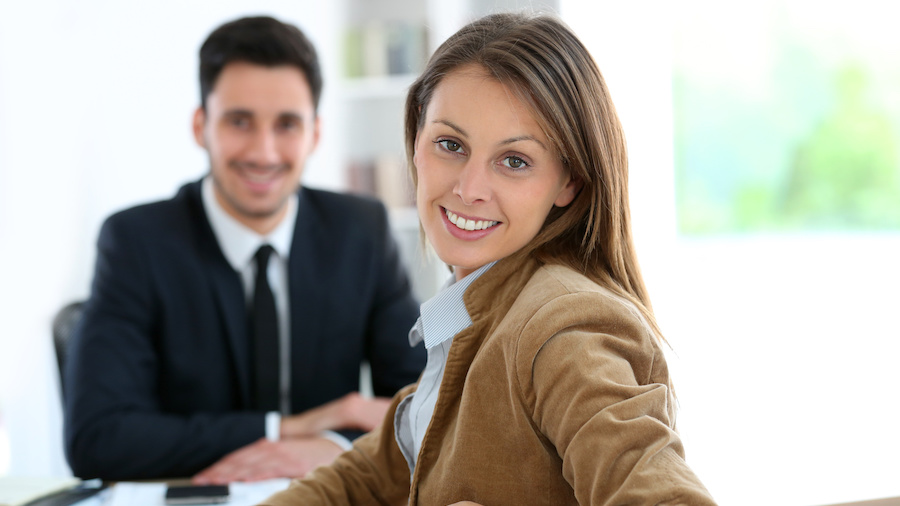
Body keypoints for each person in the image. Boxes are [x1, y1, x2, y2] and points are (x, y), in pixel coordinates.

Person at [260, 11, 717, 505]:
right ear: (416, 143)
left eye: (514, 161)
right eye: (450, 145)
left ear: (570, 181)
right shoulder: (473, 312)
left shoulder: (563, 325)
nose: (469, 189)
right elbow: (364, 478)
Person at [63, 16, 425, 483]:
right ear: (201, 126)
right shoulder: (136, 241)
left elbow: (426, 407)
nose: (264, 152)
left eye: (287, 125)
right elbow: (98, 439)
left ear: (315, 134)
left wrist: (333, 448)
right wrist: (284, 430)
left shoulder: (361, 231)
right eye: (239, 121)